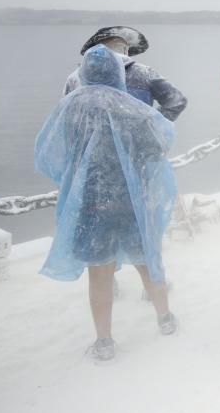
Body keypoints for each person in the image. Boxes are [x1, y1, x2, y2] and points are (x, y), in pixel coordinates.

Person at [36, 46, 178, 362]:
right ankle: (165, 318)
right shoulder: (130, 107)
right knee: (147, 261)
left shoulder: (69, 106)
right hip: (130, 201)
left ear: (85, 72)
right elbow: (158, 144)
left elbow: (49, 151)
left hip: (89, 203)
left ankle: (104, 341)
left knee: (99, 274)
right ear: (117, 73)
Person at [64, 26, 187, 121]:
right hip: (136, 147)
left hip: (87, 149)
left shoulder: (75, 77)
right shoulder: (144, 73)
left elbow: (66, 114)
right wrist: (152, 124)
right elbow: (177, 101)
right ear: (125, 49)